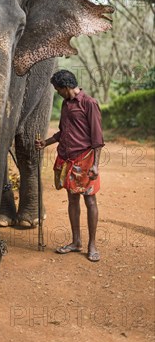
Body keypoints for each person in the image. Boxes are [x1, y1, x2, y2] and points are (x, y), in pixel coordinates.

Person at [35, 69, 104, 262]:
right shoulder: (66, 104)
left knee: (90, 200)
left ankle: (92, 245)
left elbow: (98, 139)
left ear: (66, 87)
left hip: (86, 159)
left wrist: (95, 166)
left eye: (58, 90)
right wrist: (45, 143)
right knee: (72, 199)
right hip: (67, 159)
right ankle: (76, 242)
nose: (57, 93)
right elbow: (62, 132)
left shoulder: (89, 104)